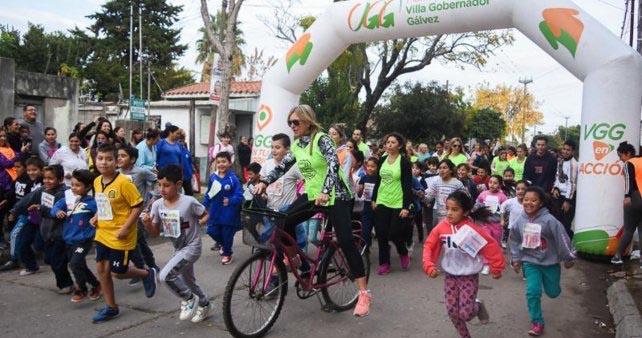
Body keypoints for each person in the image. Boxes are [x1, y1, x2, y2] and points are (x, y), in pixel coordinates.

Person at [255, 104, 371, 317]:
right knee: (283, 221)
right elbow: (282, 166)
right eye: (290, 123)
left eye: (296, 122)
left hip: (337, 195)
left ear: (308, 120)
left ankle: (364, 292)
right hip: (313, 194)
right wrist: (264, 181)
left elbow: (333, 166)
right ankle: (296, 259)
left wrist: (326, 191)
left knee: (345, 240)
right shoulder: (298, 145)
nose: (292, 126)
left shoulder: (322, 139)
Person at [423, 191, 505, 338]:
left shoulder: (472, 230)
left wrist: (496, 267)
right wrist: (429, 265)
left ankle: (477, 305)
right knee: (452, 312)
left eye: (454, 210)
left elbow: (490, 245)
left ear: (465, 212)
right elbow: (429, 245)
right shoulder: (441, 228)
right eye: (447, 208)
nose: (449, 213)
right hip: (450, 276)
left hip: (469, 276)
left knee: (465, 314)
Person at [90, 143, 157, 323]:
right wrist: (97, 216)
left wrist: (126, 227)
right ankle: (111, 307)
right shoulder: (97, 181)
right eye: (100, 159)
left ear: (116, 162)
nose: (104, 163)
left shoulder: (123, 182)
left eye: (109, 159)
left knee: (118, 272)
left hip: (121, 234)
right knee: (102, 269)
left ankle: (146, 274)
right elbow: (104, 203)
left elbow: (138, 205)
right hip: (103, 232)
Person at [142, 164, 212, 323]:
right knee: (188, 281)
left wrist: (200, 222)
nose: (162, 189)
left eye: (166, 185)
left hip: (192, 247)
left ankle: (188, 299)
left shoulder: (189, 202)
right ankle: (205, 303)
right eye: (159, 185)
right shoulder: (157, 205)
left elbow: (205, 214)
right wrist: (147, 223)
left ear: (179, 184)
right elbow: (154, 232)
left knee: (166, 275)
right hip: (178, 248)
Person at [509, 186, 576, 337]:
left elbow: (562, 240)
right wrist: (516, 259)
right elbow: (514, 239)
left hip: (550, 263)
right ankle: (537, 321)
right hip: (530, 262)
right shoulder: (520, 220)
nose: (529, 203)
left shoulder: (550, 220)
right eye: (526, 200)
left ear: (541, 203)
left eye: (533, 200)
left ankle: (553, 289)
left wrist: (568, 258)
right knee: (533, 292)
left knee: (552, 292)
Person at [12, 165, 73, 293]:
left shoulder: (64, 193)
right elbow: (28, 199)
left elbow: (56, 212)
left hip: (60, 232)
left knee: (57, 260)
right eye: (45, 178)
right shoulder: (42, 190)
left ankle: (66, 284)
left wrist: (40, 208)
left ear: (61, 179)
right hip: (46, 231)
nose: (46, 181)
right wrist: (15, 210)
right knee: (49, 259)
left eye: (51, 178)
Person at [51, 169, 102, 302]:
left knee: (75, 263)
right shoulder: (67, 199)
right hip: (68, 239)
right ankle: (96, 285)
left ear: (88, 187)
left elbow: (102, 214)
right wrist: (57, 212)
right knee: (79, 265)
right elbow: (54, 208)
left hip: (83, 240)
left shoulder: (92, 202)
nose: (74, 188)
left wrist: (96, 219)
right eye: (72, 184)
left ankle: (82, 289)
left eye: (78, 185)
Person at [371, 132, 414, 275]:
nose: (389, 145)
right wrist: (374, 199)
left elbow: (407, 186)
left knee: (394, 233)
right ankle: (384, 263)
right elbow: (378, 181)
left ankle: (403, 252)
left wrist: (406, 206)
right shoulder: (382, 160)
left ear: (400, 145)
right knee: (381, 233)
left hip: (397, 202)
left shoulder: (404, 162)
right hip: (382, 200)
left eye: (393, 142)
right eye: (387, 142)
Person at [117, 146, 160, 285]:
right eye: (118, 156)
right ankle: (148, 266)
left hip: (139, 211)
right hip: (123, 213)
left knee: (136, 241)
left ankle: (144, 267)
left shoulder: (140, 172)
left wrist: (154, 196)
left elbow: (157, 179)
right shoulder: (116, 173)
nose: (119, 158)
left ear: (133, 159)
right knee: (138, 241)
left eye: (123, 156)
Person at [203, 151, 243, 265]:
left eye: (224, 161)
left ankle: (227, 254)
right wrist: (204, 205)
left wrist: (231, 200)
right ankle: (224, 244)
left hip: (229, 214)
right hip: (215, 212)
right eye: (218, 162)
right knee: (211, 231)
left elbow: (239, 196)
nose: (221, 164)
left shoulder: (233, 179)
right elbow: (208, 193)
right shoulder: (213, 178)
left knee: (227, 234)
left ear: (230, 163)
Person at [9, 157, 44, 275]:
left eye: (34, 170)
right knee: (24, 242)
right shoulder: (31, 182)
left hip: (44, 219)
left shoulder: (44, 183)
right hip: (33, 218)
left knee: (40, 245)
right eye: (29, 170)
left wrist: (15, 211)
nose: (31, 172)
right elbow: (26, 200)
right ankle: (31, 266)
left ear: (41, 170)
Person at [611, 141, 642, 266]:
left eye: (621, 156)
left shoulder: (629, 163)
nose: (620, 159)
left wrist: (627, 196)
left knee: (628, 229)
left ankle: (617, 256)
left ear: (628, 153)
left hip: (634, 197)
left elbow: (629, 180)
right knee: (641, 230)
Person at [424, 159, 467, 232]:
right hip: (440, 218)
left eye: (444, 168)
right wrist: (422, 196)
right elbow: (428, 199)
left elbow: (465, 199)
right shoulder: (436, 183)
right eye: (440, 168)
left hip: (455, 218)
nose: (441, 170)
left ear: (451, 170)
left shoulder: (457, 184)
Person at [552, 140, 578, 238]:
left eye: (568, 150)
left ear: (572, 151)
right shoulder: (560, 160)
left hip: (568, 197)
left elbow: (572, 184)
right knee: (557, 221)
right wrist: (555, 188)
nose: (565, 151)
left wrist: (567, 200)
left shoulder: (573, 164)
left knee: (566, 224)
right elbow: (557, 176)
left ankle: (567, 247)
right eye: (564, 149)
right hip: (559, 195)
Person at [475, 175, 508, 246]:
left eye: (495, 183)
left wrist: (503, 220)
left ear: (500, 185)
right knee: (486, 241)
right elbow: (477, 204)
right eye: (490, 182)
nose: (492, 184)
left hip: (497, 224)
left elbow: (505, 209)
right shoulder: (483, 194)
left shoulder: (502, 196)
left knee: (495, 243)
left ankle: (495, 255)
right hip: (485, 222)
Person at [501, 180, 529, 248]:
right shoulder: (511, 201)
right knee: (513, 249)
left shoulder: (529, 203)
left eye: (523, 189)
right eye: (518, 189)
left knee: (524, 248)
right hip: (513, 230)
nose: (520, 191)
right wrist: (502, 219)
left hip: (526, 230)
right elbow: (502, 206)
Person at [358, 157, 378, 249]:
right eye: (368, 166)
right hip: (366, 208)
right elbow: (359, 194)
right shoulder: (364, 178)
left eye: (372, 166)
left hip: (378, 209)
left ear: (377, 167)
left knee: (381, 232)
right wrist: (360, 190)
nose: (370, 168)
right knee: (365, 232)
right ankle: (366, 247)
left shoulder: (379, 179)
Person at [329, 124, 354, 191]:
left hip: (341, 191)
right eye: (329, 134)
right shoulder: (327, 152)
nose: (330, 136)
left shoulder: (346, 154)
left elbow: (344, 177)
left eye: (334, 134)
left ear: (341, 137)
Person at [177, 131, 196, 196]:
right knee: (178, 194)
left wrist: (192, 169)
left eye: (183, 141)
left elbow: (190, 161)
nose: (181, 143)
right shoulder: (175, 150)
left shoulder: (185, 150)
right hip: (178, 176)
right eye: (180, 141)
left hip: (187, 176)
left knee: (189, 193)